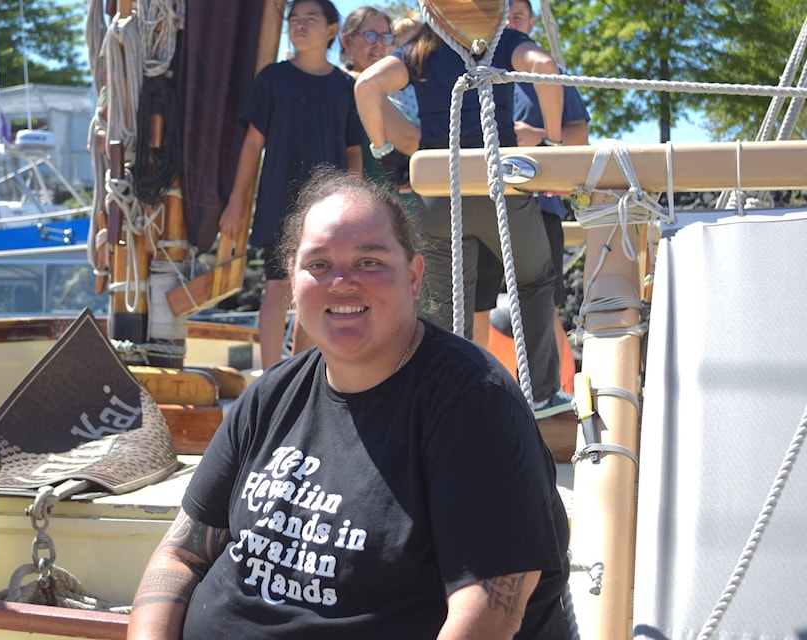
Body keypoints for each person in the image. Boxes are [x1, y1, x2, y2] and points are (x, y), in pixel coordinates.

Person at [125, 167, 570, 640]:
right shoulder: (270, 396)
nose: (341, 282)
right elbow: (180, 555)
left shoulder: (473, 404)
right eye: (318, 264)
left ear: (415, 276)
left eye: (369, 262)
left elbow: (488, 614)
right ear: (293, 282)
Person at [355, 20, 573, 418]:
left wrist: (385, 154)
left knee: (445, 300)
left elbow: (365, 85)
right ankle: (541, 394)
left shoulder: (423, 47)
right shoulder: (501, 40)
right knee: (534, 278)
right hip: (498, 187)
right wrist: (552, 145)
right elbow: (544, 68)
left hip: (440, 188)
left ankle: (444, 396)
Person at [219, 0, 363, 370]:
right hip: (277, 199)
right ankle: (270, 379)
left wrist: (353, 204)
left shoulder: (346, 87)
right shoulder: (272, 78)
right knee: (278, 287)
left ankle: (299, 376)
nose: (299, 25)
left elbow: (354, 151)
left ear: (333, 30)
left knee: (315, 289)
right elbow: (252, 145)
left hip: (328, 208)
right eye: (294, 19)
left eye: (310, 19)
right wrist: (237, 204)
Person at [473, 0, 591, 393]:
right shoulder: (469, 74)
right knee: (475, 306)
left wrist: (537, 139)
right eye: (503, 16)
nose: (509, 22)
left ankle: (558, 393)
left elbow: (579, 139)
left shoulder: (550, 76)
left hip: (540, 208)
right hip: (479, 207)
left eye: (518, 16)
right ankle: (476, 392)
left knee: (544, 308)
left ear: (530, 22)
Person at [338, 6, 418, 196]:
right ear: (346, 41)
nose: (379, 45)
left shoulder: (402, 93)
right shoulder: (338, 85)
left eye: (385, 37)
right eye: (370, 36)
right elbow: (412, 142)